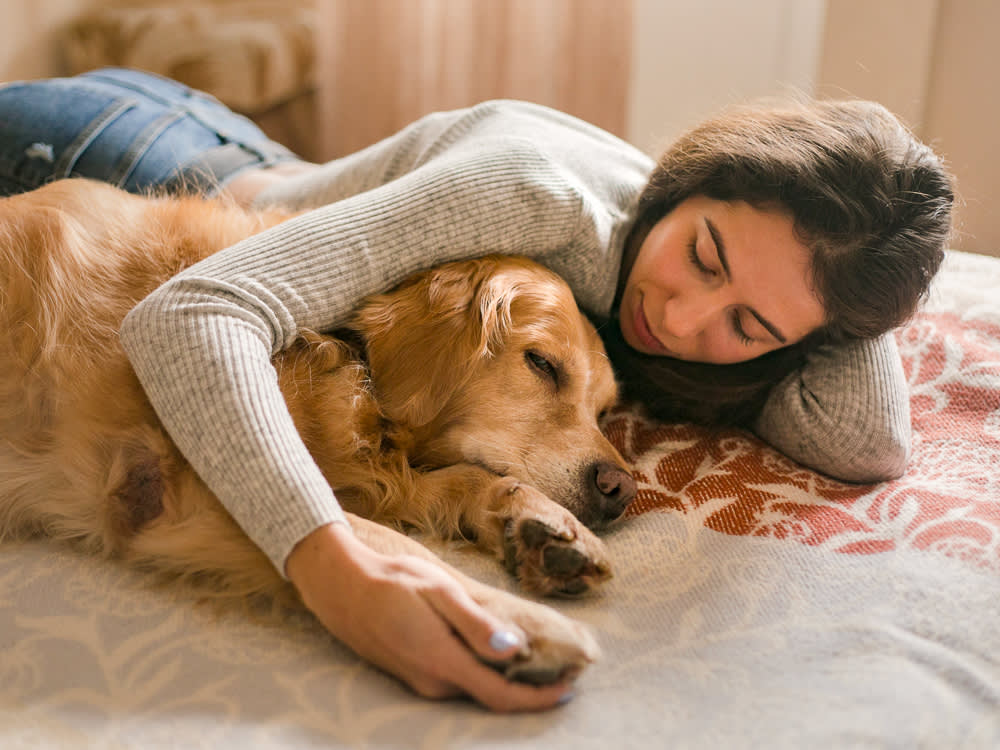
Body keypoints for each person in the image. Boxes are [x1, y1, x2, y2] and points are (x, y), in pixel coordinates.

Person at [0, 68, 954, 711]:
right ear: (684, 180)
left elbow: (869, 441)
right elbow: (188, 319)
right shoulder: (529, 198)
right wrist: (337, 568)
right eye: (702, 254)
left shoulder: (704, 304)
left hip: (231, 148)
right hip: (111, 146)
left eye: (751, 328)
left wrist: (854, 274)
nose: (688, 318)